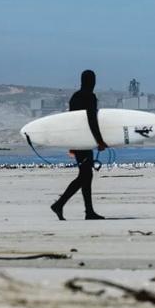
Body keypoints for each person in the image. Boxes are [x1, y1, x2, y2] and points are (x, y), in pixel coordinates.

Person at [50, 70, 108, 221]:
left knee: (86, 175)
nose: (94, 83)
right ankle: (60, 204)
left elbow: (71, 121)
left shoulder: (75, 97)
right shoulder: (90, 97)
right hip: (85, 140)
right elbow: (91, 120)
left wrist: (71, 143)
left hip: (77, 139)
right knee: (85, 175)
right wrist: (100, 140)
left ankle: (88, 211)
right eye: (93, 80)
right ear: (91, 81)